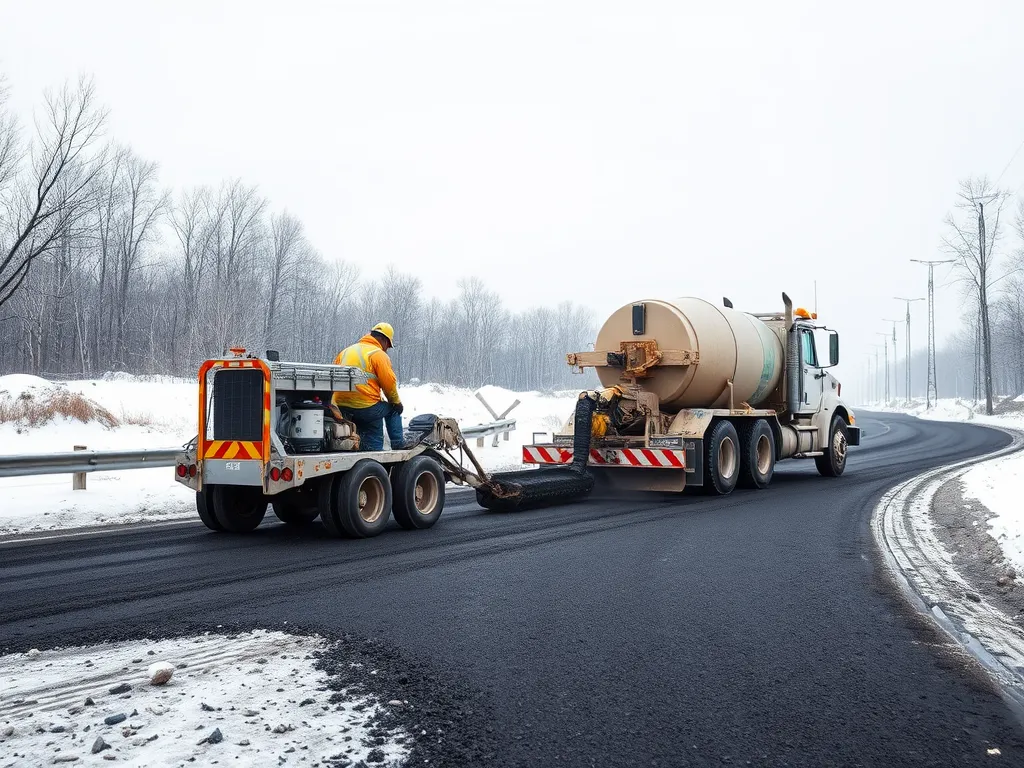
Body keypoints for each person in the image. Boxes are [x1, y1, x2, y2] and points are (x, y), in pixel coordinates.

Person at [332, 323, 405, 451]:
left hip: (341, 406)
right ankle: (398, 443)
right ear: (384, 340)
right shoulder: (378, 354)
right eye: (388, 345)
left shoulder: (345, 352)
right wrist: (396, 402)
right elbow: (389, 384)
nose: (387, 349)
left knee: (357, 438)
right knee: (393, 409)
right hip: (366, 407)